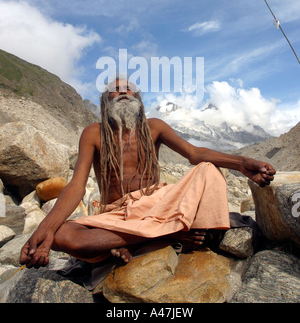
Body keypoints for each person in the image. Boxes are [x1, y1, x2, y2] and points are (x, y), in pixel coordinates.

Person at [20, 78, 276, 269]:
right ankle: (172, 233)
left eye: (128, 89)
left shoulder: (154, 127)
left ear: (139, 99)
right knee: (64, 235)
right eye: (115, 90)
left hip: (157, 203)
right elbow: (76, 186)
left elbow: (194, 154)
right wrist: (46, 229)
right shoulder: (93, 133)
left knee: (208, 170)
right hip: (118, 214)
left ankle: (134, 240)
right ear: (105, 102)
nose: (123, 92)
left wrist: (242, 163)